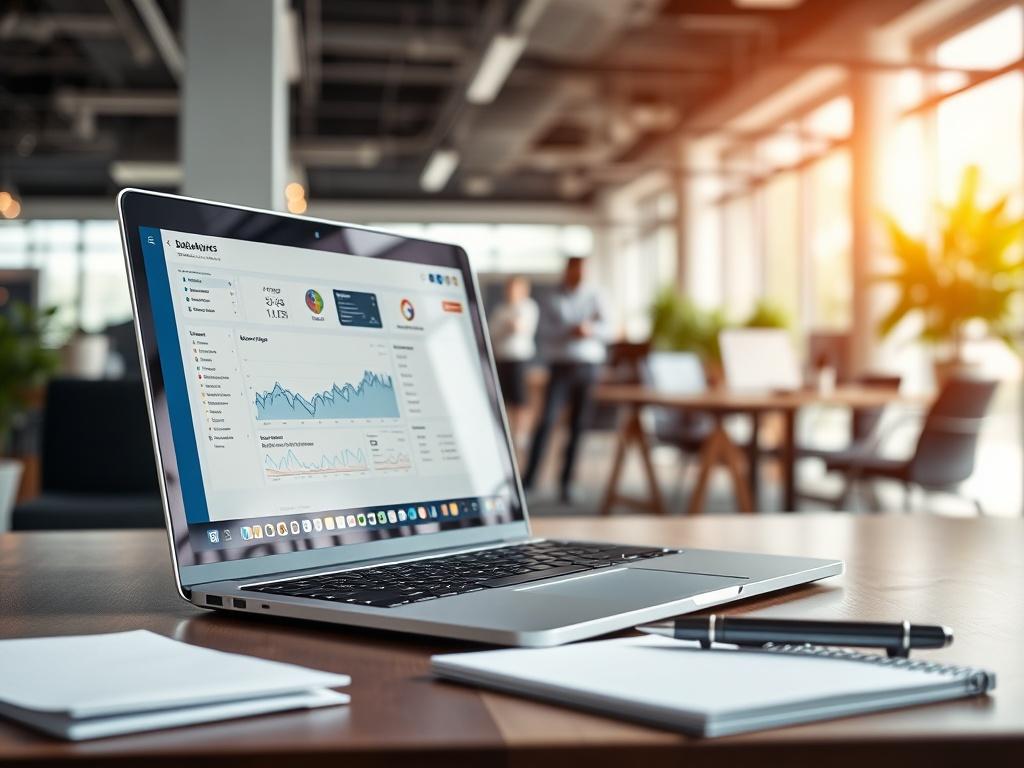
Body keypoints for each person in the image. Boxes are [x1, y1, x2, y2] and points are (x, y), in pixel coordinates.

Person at [522, 256, 608, 504]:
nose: (580, 275)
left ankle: (567, 483)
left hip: (587, 366)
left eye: (584, 271)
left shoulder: (597, 295)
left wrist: (590, 331)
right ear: (568, 271)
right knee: (546, 421)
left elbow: (609, 329)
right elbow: (543, 332)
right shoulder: (551, 297)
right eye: (576, 270)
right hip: (560, 366)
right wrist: (568, 331)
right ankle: (529, 481)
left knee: (578, 425)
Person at [489, 276, 539, 455]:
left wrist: (512, 326)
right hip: (501, 359)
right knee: (502, 399)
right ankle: (506, 433)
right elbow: (491, 333)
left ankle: (520, 435)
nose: (511, 292)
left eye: (516, 288)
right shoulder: (500, 310)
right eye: (509, 288)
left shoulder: (528, 307)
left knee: (520, 399)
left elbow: (521, 328)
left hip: (519, 359)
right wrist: (507, 326)